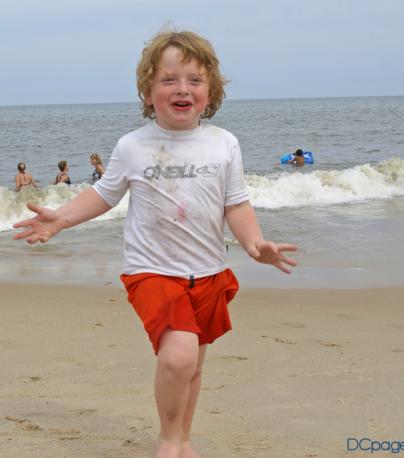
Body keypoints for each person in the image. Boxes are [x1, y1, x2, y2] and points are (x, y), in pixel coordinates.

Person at [13, 30, 297, 458]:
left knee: (192, 366)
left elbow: (235, 203)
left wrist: (256, 244)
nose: (182, 88)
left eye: (194, 80)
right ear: (148, 92)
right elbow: (105, 194)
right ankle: (167, 442)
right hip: (152, 270)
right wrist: (62, 219)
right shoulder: (133, 146)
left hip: (208, 270)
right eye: (168, 79)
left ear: (210, 91)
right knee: (179, 357)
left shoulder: (224, 143)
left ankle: (183, 440)